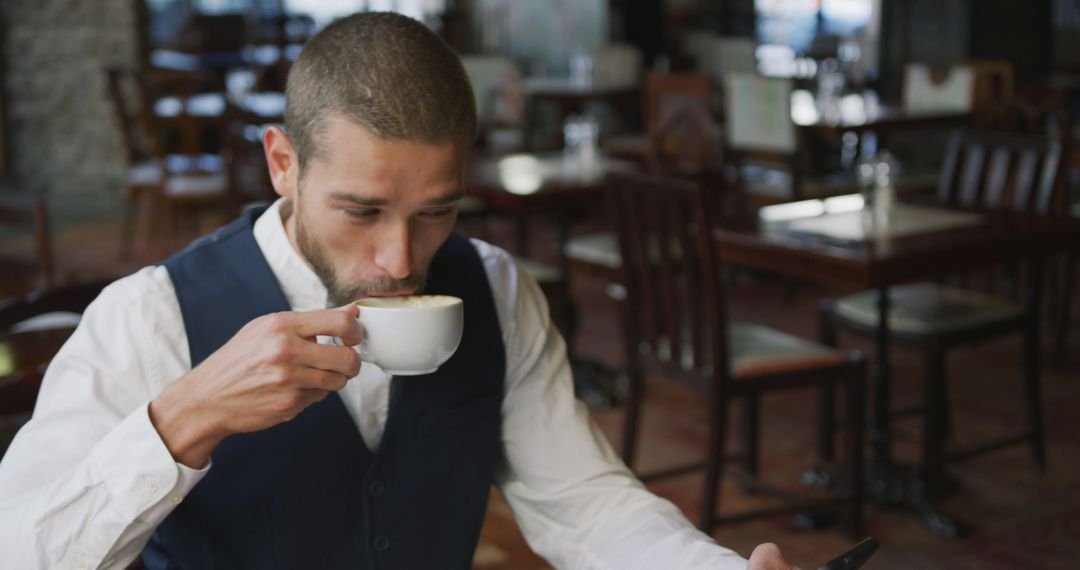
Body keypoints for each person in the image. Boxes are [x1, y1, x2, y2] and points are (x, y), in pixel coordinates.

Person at [0, 12, 800, 569]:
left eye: (436, 212)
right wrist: (182, 421)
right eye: (362, 209)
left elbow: (582, 499)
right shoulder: (149, 316)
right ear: (283, 162)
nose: (396, 259)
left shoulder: (494, 287)